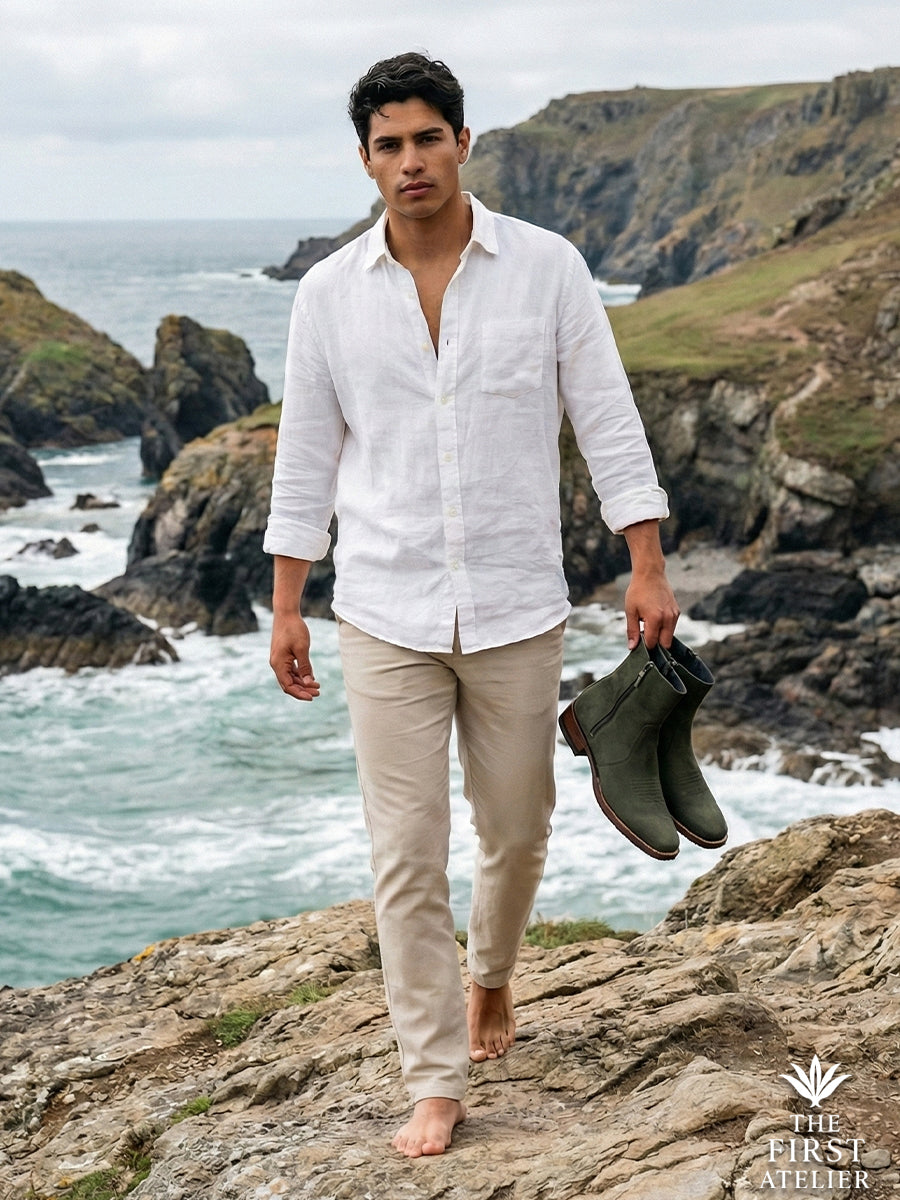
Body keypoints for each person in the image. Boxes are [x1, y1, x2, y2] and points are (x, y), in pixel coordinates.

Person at [264, 51, 679, 1158]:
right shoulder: (326, 296)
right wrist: (287, 603)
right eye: (388, 145)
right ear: (366, 160)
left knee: (517, 828)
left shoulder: (546, 269)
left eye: (427, 138)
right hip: (383, 614)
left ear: (462, 144)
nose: (411, 161)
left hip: (516, 606)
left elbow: (608, 417)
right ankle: (434, 1077)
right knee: (406, 851)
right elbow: (305, 454)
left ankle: (494, 976)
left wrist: (645, 561)